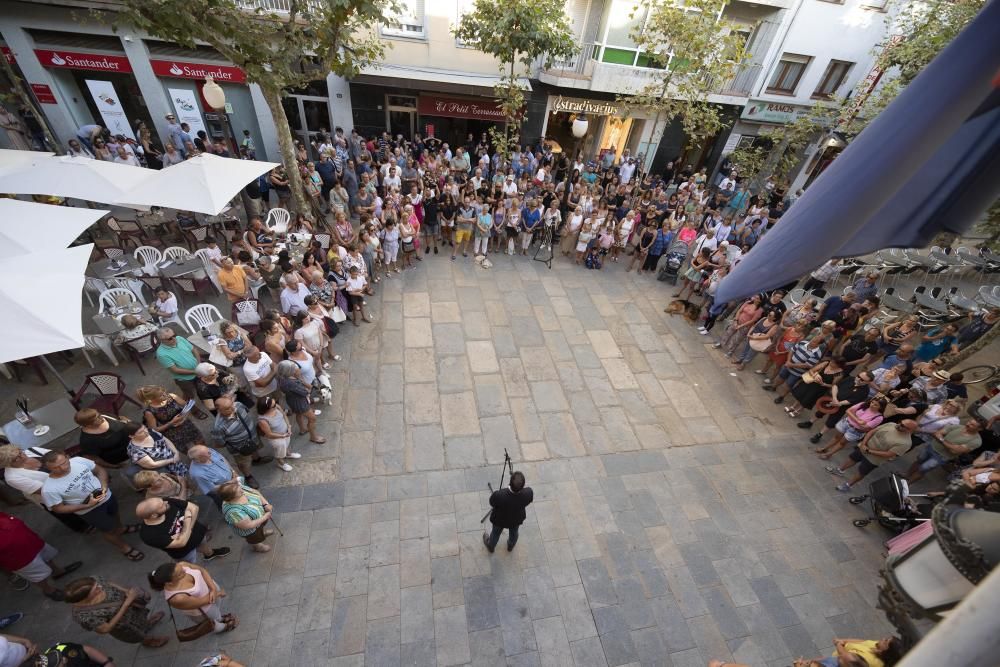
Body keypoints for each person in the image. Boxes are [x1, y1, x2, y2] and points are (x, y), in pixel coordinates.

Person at [40, 452, 144, 561]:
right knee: (108, 530)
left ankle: (121, 528)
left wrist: (103, 486)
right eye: (56, 467)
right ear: (47, 468)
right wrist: (86, 505)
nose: (63, 467)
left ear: (67, 457)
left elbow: (99, 470)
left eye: (64, 462)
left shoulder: (78, 461)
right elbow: (58, 508)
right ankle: (124, 547)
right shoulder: (49, 488)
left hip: (107, 497)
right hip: (90, 511)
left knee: (115, 514)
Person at [0, 445, 90, 532]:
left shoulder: (32, 450)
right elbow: (42, 490)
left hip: (68, 482)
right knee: (65, 512)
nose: (22, 456)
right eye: (16, 458)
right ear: (8, 464)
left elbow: (56, 457)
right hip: (50, 493)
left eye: (20, 452)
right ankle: (82, 527)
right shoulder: (12, 477)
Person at [64, 577, 168, 647]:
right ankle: (148, 641)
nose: (100, 587)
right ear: (85, 598)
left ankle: (147, 624)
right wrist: (127, 603)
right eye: (96, 589)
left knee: (141, 619)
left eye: (97, 585)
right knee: (137, 634)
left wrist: (125, 591)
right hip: (124, 626)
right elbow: (105, 629)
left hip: (133, 611)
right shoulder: (83, 615)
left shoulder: (91, 581)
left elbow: (107, 582)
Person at [0, 513, 82, 600]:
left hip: (30, 540)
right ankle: (49, 591)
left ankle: (57, 572)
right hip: (18, 557)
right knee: (36, 575)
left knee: (46, 556)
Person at [148, 561, 238, 636]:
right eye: (180, 574)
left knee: (217, 611)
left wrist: (213, 589)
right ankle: (224, 627)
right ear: (170, 583)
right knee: (214, 622)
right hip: (204, 610)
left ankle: (221, 618)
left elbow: (201, 570)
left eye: (181, 568)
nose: (185, 570)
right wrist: (217, 593)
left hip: (211, 593)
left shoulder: (182, 565)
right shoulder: (177, 598)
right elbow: (201, 602)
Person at [827, 420, 919, 492]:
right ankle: (840, 470)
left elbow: (889, 454)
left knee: (861, 472)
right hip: (864, 447)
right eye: (900, 422)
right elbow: (872, 431)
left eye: (903, 426)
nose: (899, 425)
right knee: (852, 458)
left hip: (874, 459)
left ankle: (848, 485)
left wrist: (869, 451)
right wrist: (863, 444)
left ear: (909, 430)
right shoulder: (891, 424)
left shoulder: (906, 443)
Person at [136, 497, 230, 562]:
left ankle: (210, 554)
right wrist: (187, 520)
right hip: (184, 552)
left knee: (203, 544)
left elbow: (194, 508)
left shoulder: (164, 502)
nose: (166, 502)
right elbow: (181, 543)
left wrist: (185, 530)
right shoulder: (148, 534)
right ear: (154, 515)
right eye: (162, 505)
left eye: (162, 501)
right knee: (191, 567)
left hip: (198, 534)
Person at [209, 396, 272, 488]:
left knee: (255, 449)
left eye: (231, 405)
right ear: (219, 410)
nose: (232, 409)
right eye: (227, 408)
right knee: (244, 463)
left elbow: (246, 412)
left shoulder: (238, 405)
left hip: (253, 438)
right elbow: (220, 443)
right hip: (240, 449)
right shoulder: (218, 427)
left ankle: (257, 460)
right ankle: (248, 476)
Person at [906, 418, 983, 483]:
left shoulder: (976, 441)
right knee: (919, 460)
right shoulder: (958, 427)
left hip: (942, 456)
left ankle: (908, 483)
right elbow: (937, 433)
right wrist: (951, 445)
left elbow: (956, 451)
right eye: (969, 422)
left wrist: (942, 440)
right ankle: (906, 475)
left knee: (923, 469)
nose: (968, 424)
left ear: (979, 429)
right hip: (932, 447)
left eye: (972, 425)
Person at [155, 328, 210, 418]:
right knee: (190, 395)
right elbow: (175, 370)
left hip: (197, 371)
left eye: (174, 335)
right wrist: (195, 371)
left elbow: (194, 350)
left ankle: (204, 400)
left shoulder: (180, 338)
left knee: (201, 387)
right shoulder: (161, 353)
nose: (174, 339)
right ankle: (194, 411)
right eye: (170, 338)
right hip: (184, 379)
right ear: (161, 340)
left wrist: (199, 365)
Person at [123, 423, 188, 497]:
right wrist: (172, 460)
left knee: (183, 478)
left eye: (145, 428)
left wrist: (175, 452)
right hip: (164, 470)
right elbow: (152, 465)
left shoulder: (151, 431)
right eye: (141, 432)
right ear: (131, 436)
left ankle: (185, 488)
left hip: (174, 461)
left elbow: (166, 440)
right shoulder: (134, 450)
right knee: (174, 484)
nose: (146, 431)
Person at [137, 385, 204, 454]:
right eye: (161, 395)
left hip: (187, 425)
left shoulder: (172, 396)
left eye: (164, 392)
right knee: (188, 451)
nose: (165, 395)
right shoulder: (149, 412)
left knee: (200, 441)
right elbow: (155, 429)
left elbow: (187, 406)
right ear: (151, 399)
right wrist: (172, 422)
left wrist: (184, 418)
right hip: (173, 433)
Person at [218, 479, 275, 553]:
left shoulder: (238, 488)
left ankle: (262, 533)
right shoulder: (233, 511)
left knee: (260, 529)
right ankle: (257, 546)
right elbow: (248, 525)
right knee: (254, 538)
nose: (242, 490)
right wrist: (265, 517)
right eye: (239, 492)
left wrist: (265, 504)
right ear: (231, 498)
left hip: (259, 520)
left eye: (240, 488)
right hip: (251, 531)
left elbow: (255, 492)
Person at [483, 470, 533, 553]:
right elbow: (529, 500)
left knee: (495, 533)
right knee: (514, 533)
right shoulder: (528, 493)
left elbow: (492, 503)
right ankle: (511, 545)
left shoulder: (499, 495)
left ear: (510, 482)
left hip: (499, 520)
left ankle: (491, 546)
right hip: (516, 520)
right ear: (523, 485)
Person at [256, 395, 303, 471]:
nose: (276, 405)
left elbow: (284, 415)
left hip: (286, 433)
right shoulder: (263, 420)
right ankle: (280, 463)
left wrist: (289, 427)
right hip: (276, 438)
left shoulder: (276, 406)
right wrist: (282, 436)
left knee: (286, 445)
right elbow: (269, 434)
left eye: (275, 403)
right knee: (280, 450)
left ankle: (288, 454)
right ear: (266, 408)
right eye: (273, 405)